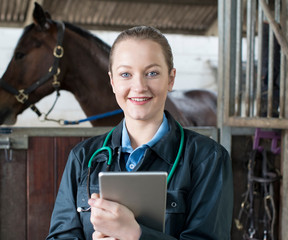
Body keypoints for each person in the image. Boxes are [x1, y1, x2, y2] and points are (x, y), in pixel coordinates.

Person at [47, 26, 233, 240]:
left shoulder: (208, 158)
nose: (139, 86)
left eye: (152, 73)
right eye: (125, 74)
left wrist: (136, 235)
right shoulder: (82, 158)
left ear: (171, 79)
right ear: (113, 82)